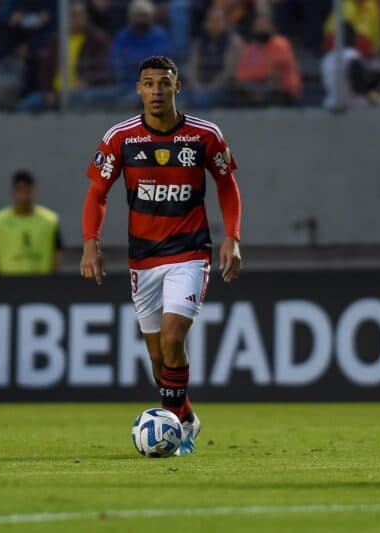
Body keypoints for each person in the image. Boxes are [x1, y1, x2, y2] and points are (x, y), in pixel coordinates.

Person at [80, 55, 242, 455]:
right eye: (149, 84)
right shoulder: (121, 138)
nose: (157, 91)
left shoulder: (204, 135)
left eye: (164, 83)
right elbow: (97, 193)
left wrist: (232, 237)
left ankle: (174, 432)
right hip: (143, 259)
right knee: (158, 359)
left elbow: (226, 185)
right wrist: (90, 243)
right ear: (139, 89)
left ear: (177, 87)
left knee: (172, 339)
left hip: (190, 253)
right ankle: (185, 417)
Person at [18, 0, 111, 111]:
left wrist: (87, 82)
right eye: (72, 15)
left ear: (86, 17)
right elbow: (45, 70)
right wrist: (47, 91)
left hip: (83, 91)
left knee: (87, 97)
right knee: (26, 105)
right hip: (56, 92)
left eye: (79, 15)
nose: (76, 19)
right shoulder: (56, 40)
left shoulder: (97, 39)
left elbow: (103, 69)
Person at [0, 170, 63, 274]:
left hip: (41, 282)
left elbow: (57, 255)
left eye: (27, 190)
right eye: (19, 190)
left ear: (34, 191)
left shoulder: (50, 220)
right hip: (8, 282)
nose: (23, 195)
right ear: (13, 191)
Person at [183, 5, 243, 109]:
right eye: (211, 20)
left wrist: (210, 88)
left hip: (223, 88)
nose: (214, 23)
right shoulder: (198, 43)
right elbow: (191, 68)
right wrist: (197, 86)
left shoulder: (233, 43)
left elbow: (229, 71)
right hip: (199, 88)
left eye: (218, 20)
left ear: (225, 23)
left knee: (201, 99)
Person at [234, 14, 301, 106]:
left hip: (280, 89)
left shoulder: (280, 44)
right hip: (254, 87)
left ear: (271, 27)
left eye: (264, 26)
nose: (261, 29)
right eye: (258, 26)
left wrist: (257, 74)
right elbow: (241, 73)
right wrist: (255, 76)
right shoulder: (252, 48)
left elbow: (275, 71)